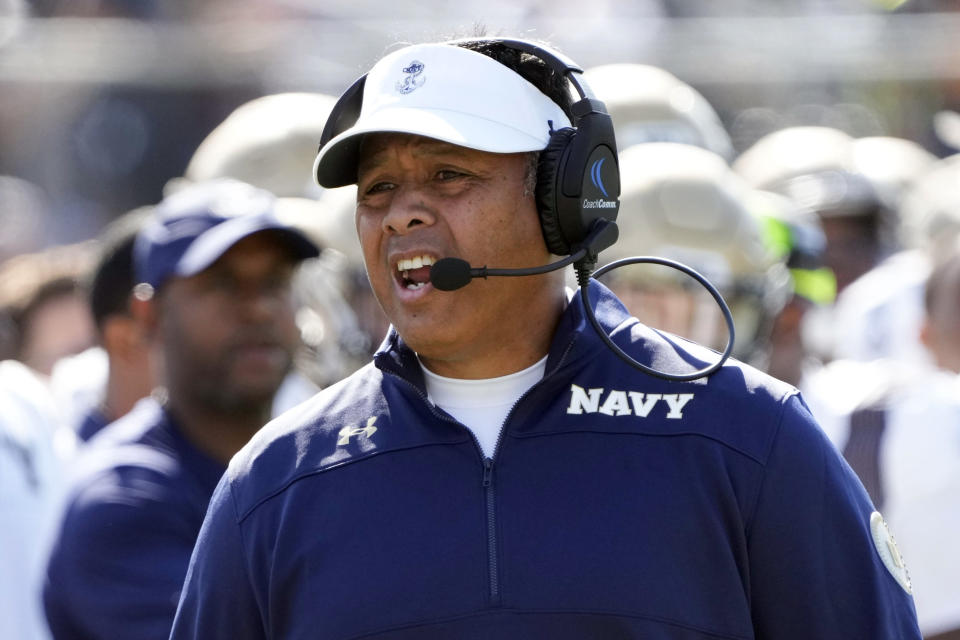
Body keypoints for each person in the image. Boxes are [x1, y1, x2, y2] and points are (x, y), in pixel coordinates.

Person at [171, 39, 921, 639]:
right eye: (378, 189)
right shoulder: (275, 482)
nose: (402, 213)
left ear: (564, 204)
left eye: (449, 174)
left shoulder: (747, 439)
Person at [42, 179, 320, 640]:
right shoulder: (121, 498)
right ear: (149, 316)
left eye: (275, 281)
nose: (258, 309)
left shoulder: (312, 464)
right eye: (224, 284)